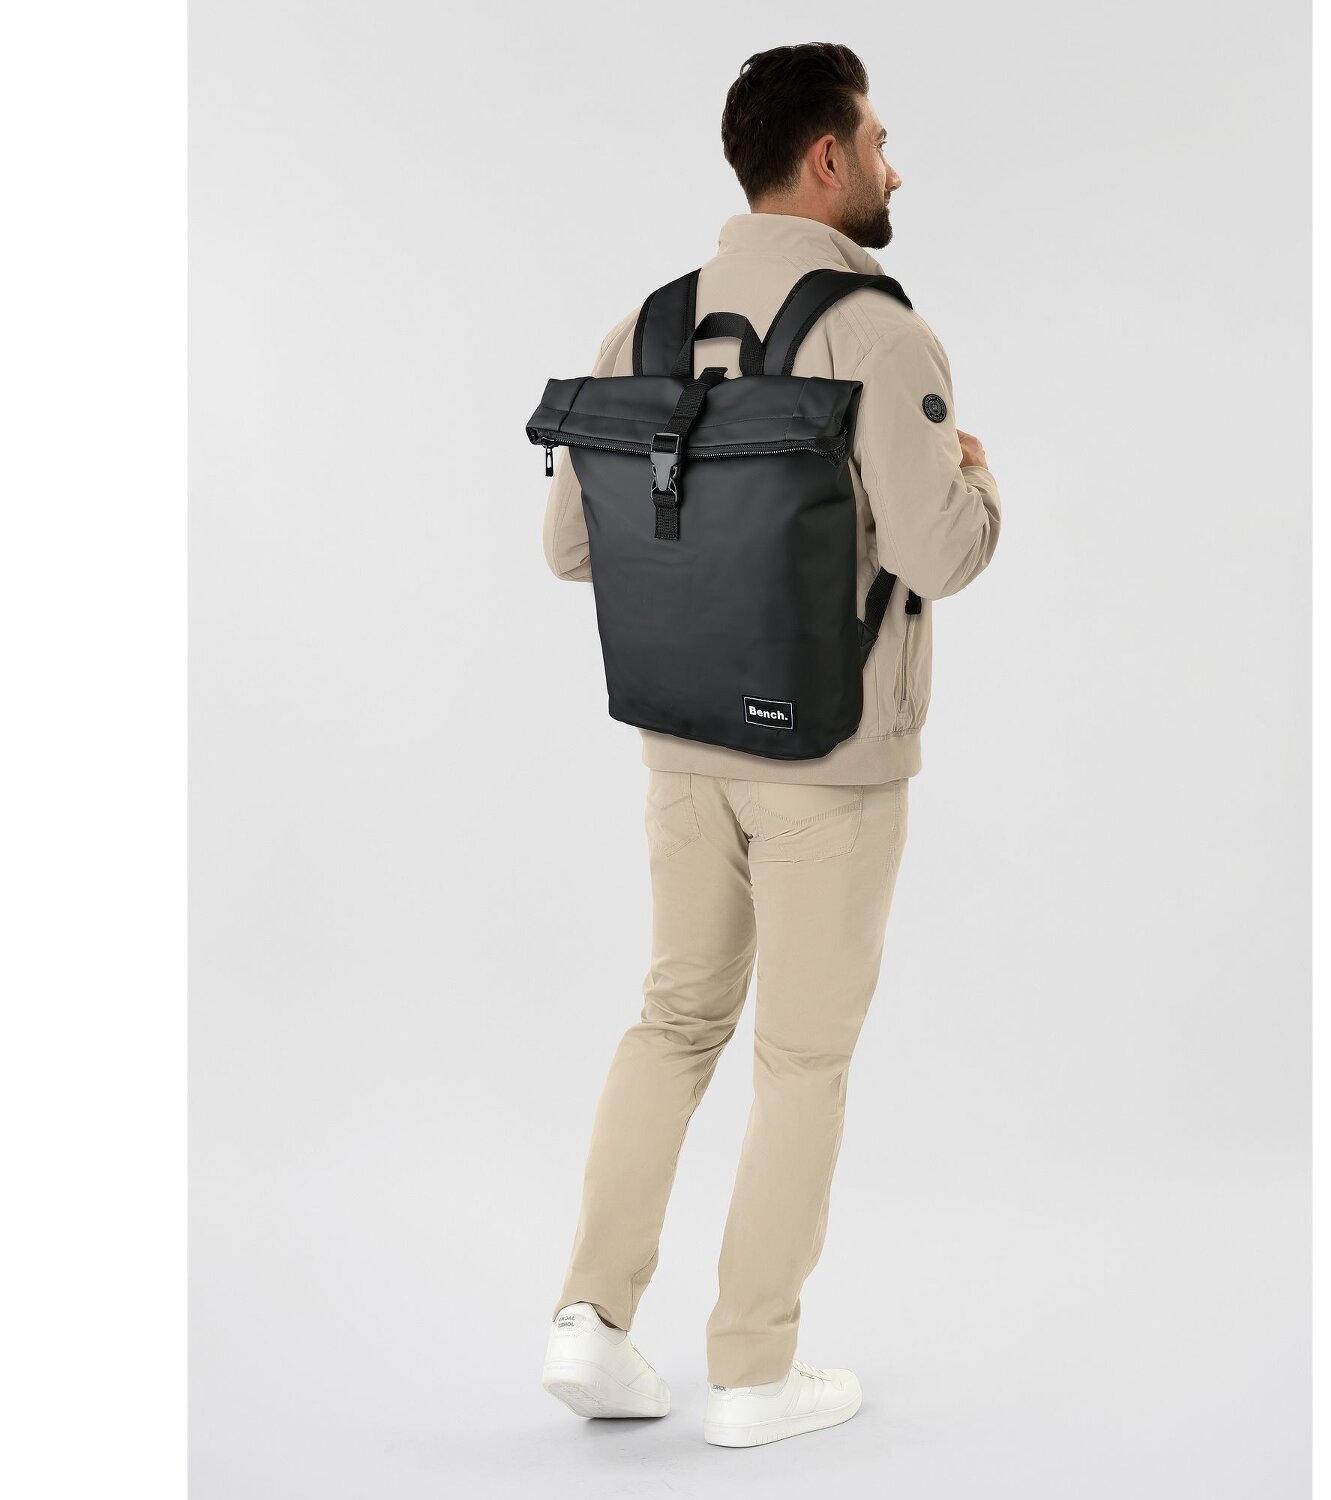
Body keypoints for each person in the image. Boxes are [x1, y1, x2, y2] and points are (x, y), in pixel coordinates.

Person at [538, 42, 1001, 1448]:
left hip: (682, 749)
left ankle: (589, 1323)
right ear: (826, 157)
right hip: (832, 763)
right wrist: (979, 484)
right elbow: (939, 552)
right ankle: (751, 1372)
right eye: (879, 142)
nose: (895, 168)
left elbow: (571, 548)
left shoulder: (646, 325)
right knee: (801, 1061)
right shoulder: (881, 334)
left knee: (674, 1020)